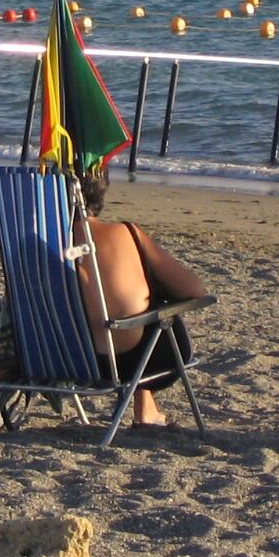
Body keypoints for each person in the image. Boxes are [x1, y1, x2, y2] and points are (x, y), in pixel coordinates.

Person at [75, 168, 208, 428]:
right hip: (123, 364)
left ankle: (146, 404)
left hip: (59, 359)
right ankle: (145, 405)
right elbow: (195, 290)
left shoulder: (37, 243)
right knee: (153, 305)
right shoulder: (126, 233)